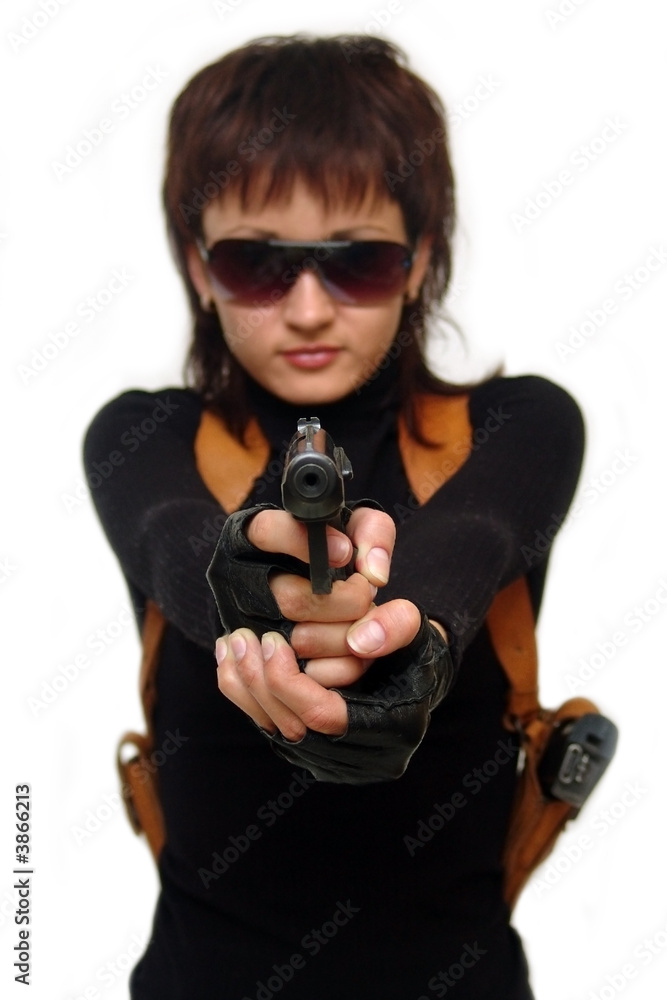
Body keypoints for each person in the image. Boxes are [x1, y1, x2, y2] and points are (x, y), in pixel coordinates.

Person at [84, 34, 584, 999]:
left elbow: (472, 540)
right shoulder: (142, 436)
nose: (309, 308)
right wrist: (242, 588)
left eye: (356, 262)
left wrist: (402, 635)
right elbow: (174, 539)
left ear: (419, 259)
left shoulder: (520, 425)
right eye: (256, 263)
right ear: (198, 267)